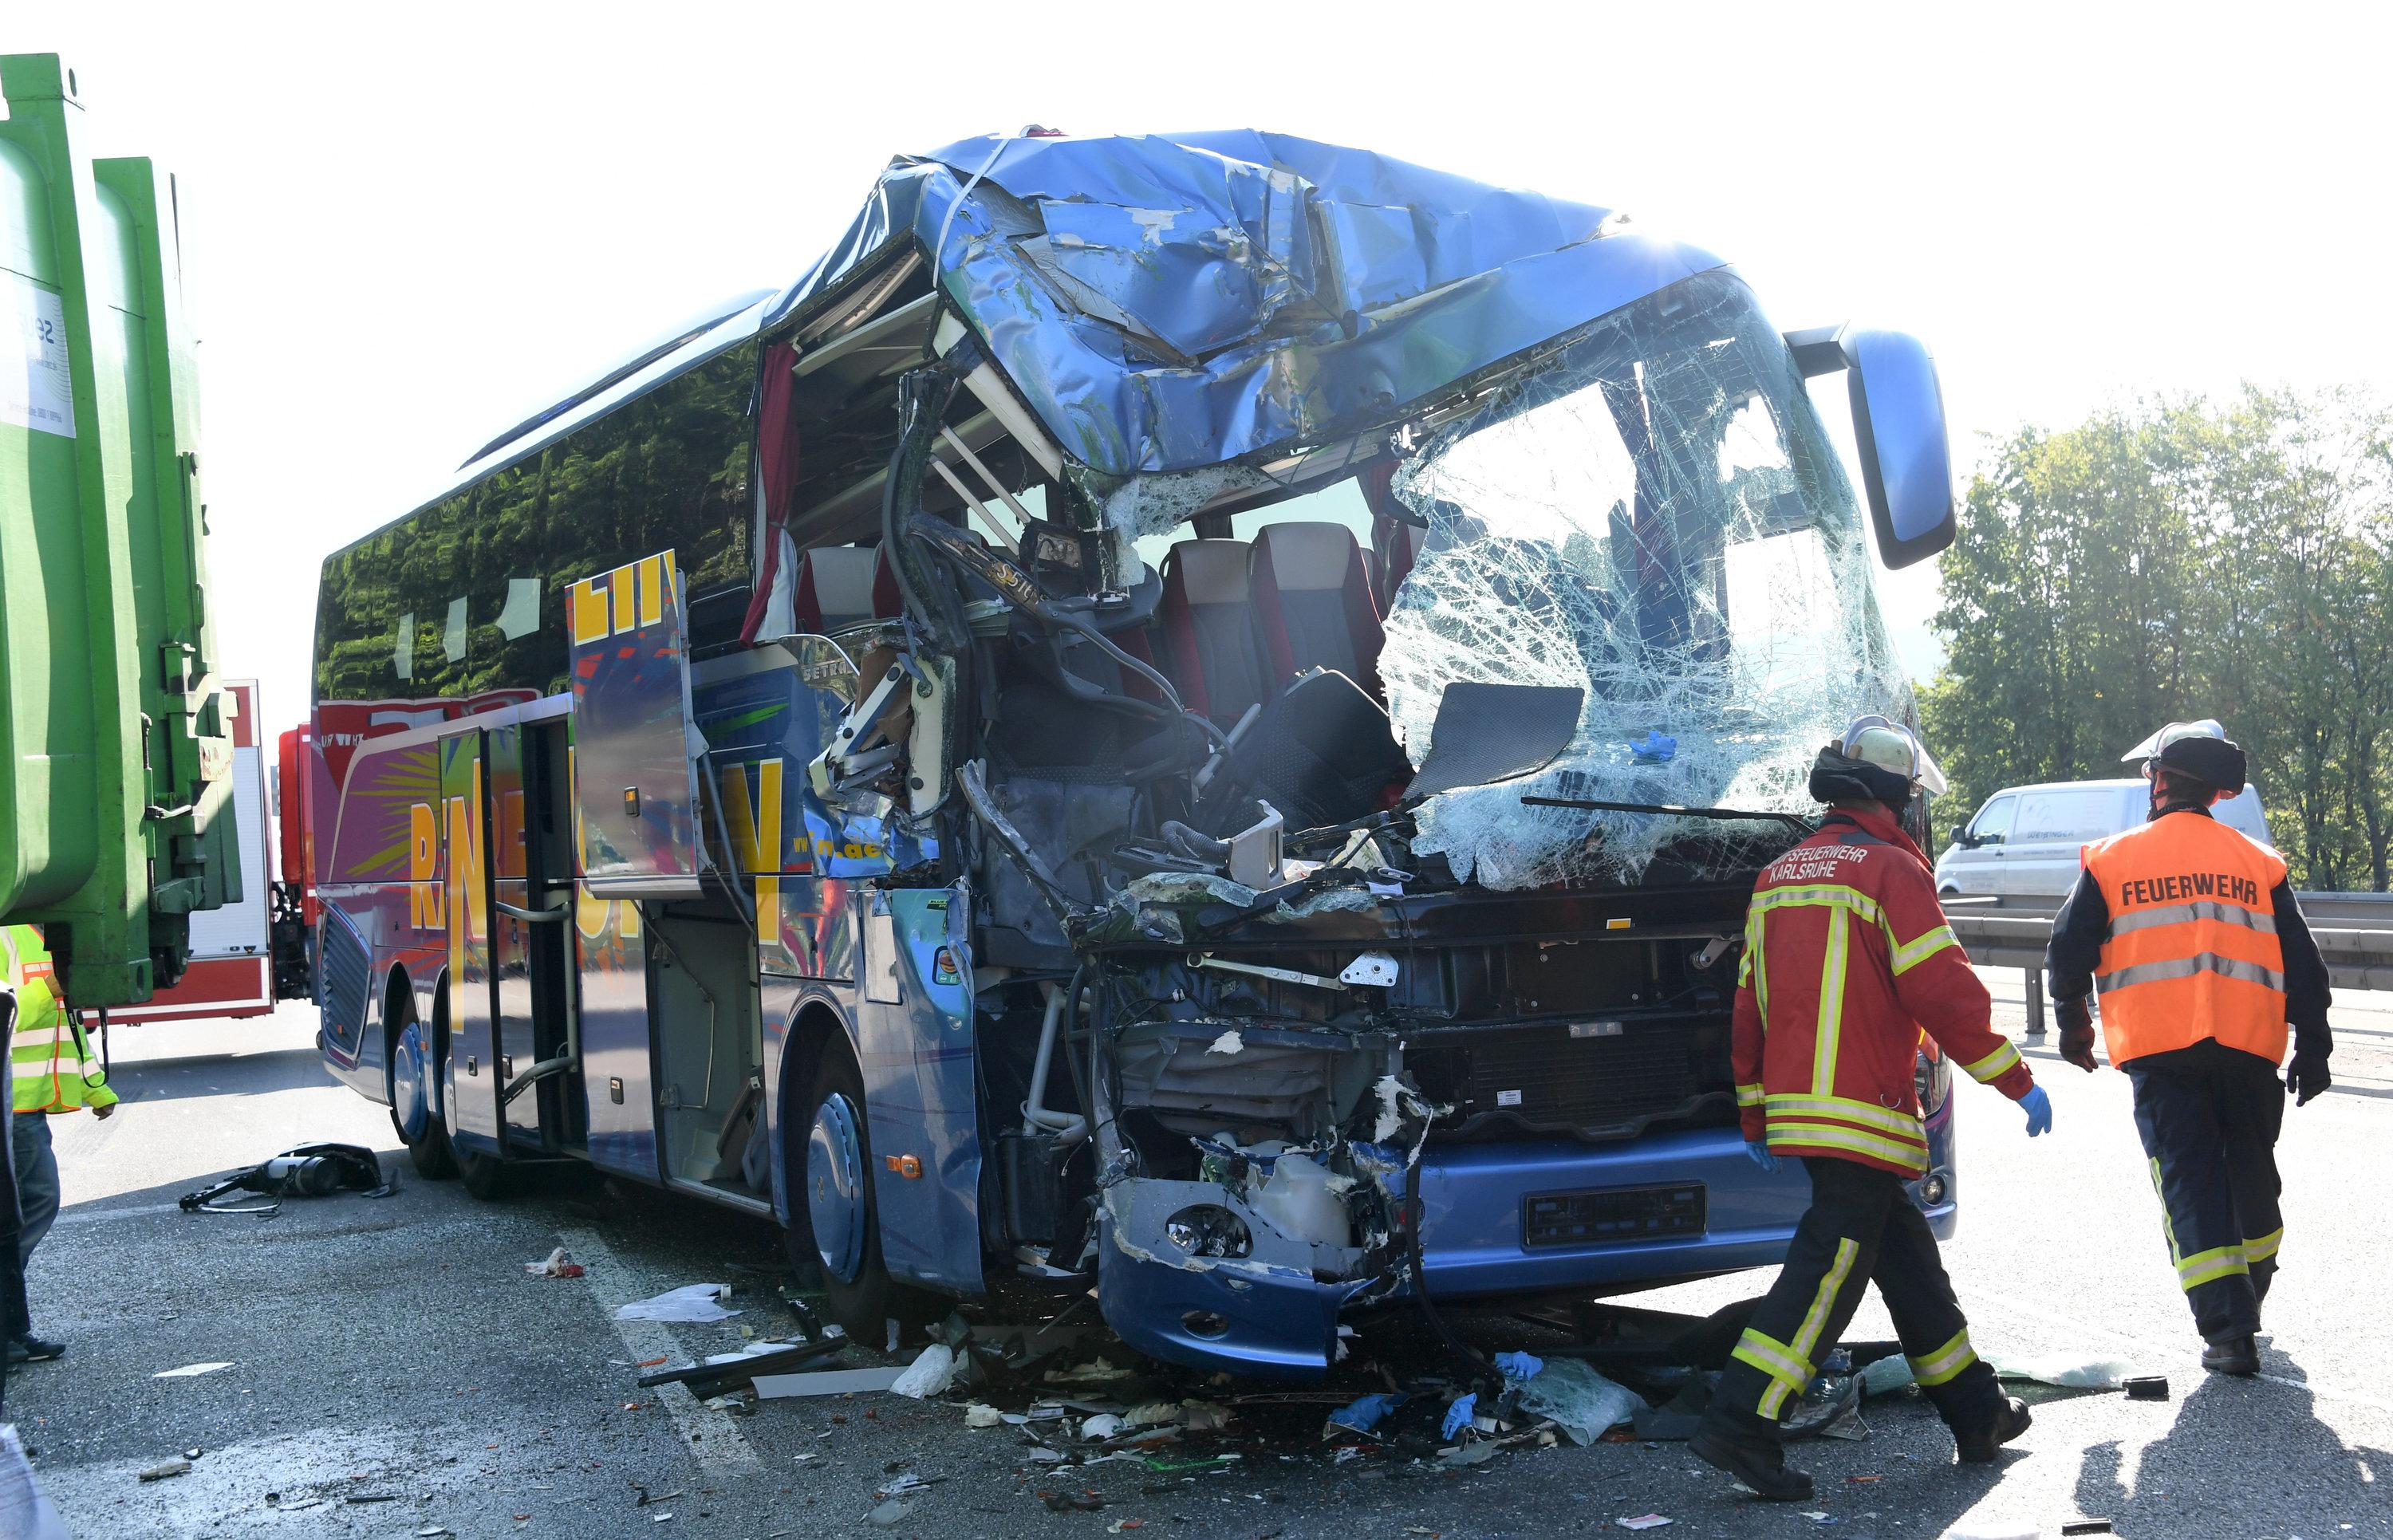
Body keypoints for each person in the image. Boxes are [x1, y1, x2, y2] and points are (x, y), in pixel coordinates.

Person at [1692, 715, 2043, 1502]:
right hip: (1861, 1113)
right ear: (1894, 797)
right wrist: (2017, 1079)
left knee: (1910, 1266)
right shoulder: (1890, 869)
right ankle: (1740, 1418)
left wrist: (1755, 1113)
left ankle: (1977, 1410)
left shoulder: (1781, 871)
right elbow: (1944, 991)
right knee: (1829, 1273)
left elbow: (1748, 1004)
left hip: (1803, 1112)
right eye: (1915, 796)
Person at [2043, 720, 2332, 1377]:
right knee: (2253, 1179)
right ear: (2215, 792)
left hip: (2160, 1053)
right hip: (2250, 1051)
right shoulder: (2258, 862)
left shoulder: (2114, 859)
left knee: (2190, 1186)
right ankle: (2250, 1286)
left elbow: (2068, 949)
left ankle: (2229, 1331)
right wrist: (2313, 1047)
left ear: (2163, 780)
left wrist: (2072, 1022)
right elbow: (2304, 965)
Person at [2, 925, 117, 1365]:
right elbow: (6, 1013)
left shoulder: (60, 934)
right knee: (34, 1204)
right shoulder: (8, 935)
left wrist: (95, 1090)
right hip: (11, 1107)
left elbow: (68, 1027)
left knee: (27, 1209)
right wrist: (47, 987)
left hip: (26, 1109)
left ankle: (12, 1330)